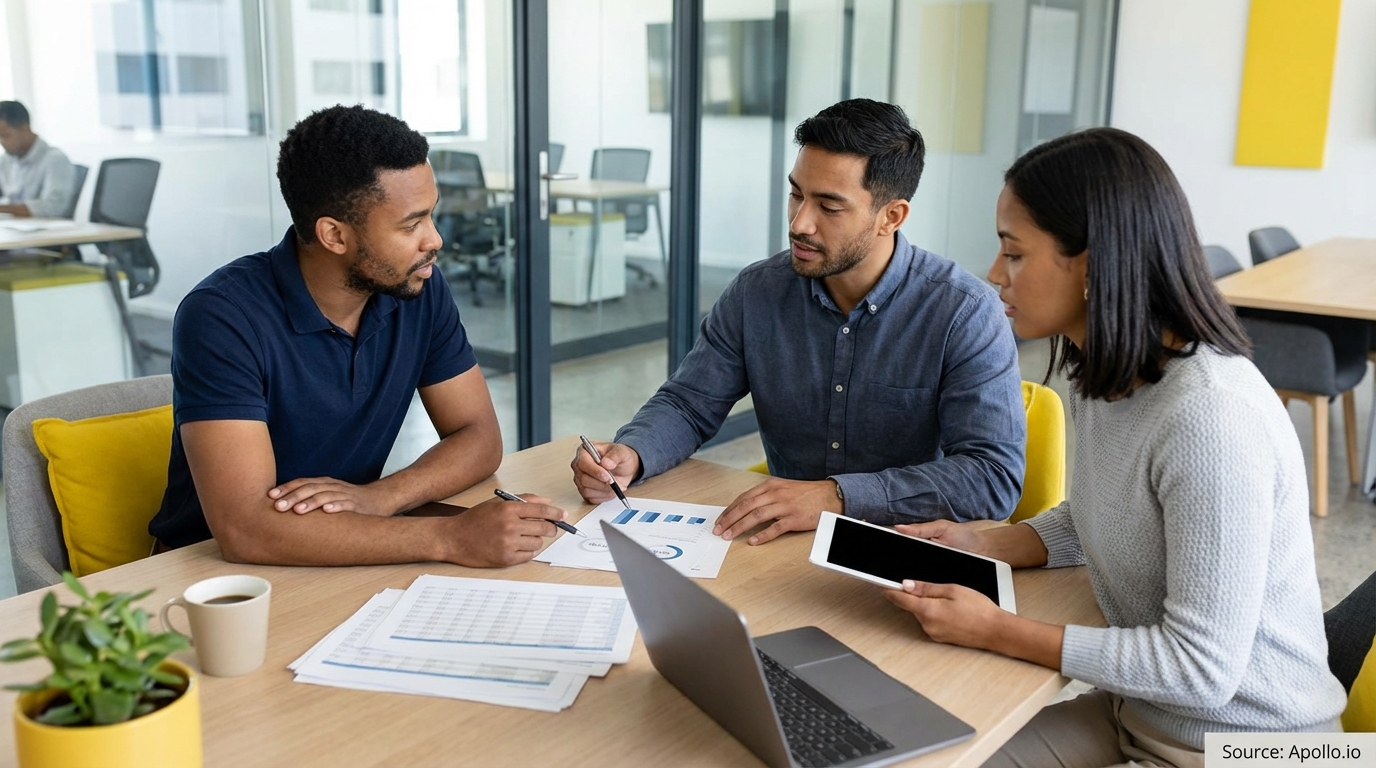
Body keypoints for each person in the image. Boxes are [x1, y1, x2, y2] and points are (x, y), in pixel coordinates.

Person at [885, 128, 1346, 767]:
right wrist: (988, 545)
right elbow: (1107, 512)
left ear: (1092, 265)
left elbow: (1200, 669)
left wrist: (997, 631)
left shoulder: (1211, 418)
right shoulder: (1104, 374)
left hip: (1250, 746)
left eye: (1014, 253)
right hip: (1140, 712)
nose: (994, 274)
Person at [571, 98, 1025, 545]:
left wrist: (836, 497)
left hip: (905, 548)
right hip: (783, 543)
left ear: (891, 217)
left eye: (829, 206)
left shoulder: (964, 312)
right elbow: (689, 405)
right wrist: (632, 453)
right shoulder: (756, 292)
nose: (800, 223)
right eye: (796, 194)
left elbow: (992, 476)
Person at [148, 105, 568, 567]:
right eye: (411, 224)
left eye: (431, 216)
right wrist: (450, 538)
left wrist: (380, 497)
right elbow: (246, 531)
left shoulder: (417, 287)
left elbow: (479, 437)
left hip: (345, 548)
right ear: (334, 235)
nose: (435, 240)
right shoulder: (222, 316)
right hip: (209, 574)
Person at [0, 101, 75, 218]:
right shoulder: (6, 160)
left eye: (5, 136)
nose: (2, 143)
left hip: (47, 228)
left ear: (25, 129)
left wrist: (4, 209)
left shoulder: (55, 160)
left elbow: (53, 207)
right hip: (14, 226)